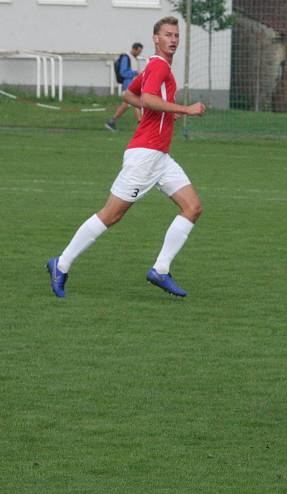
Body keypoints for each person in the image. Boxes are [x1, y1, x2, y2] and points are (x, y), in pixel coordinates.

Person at [47, 17, 206, 298]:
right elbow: (147, 98)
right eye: (168, 35)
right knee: (112, 214)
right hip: (145, 155)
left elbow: (129, 94)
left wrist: (166, 111)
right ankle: (61, 263)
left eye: (176, 35)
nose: (173, 39)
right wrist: (185, 109)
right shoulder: (157, 65)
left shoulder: (156, 67)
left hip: (160, 157)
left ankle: (160, 269)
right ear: (156, 39)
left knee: (192, 207)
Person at [106, 42, 144, 132]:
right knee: (134, 103)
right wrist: (136, 73)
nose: (139, 53)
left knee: (128, 104)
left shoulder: (134, 59)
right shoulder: (126, 57)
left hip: (133, 85)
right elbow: (123, 72)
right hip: (128, 84)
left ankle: (112, 121)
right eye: (138, 51)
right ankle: (140, 124)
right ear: (134, 49)